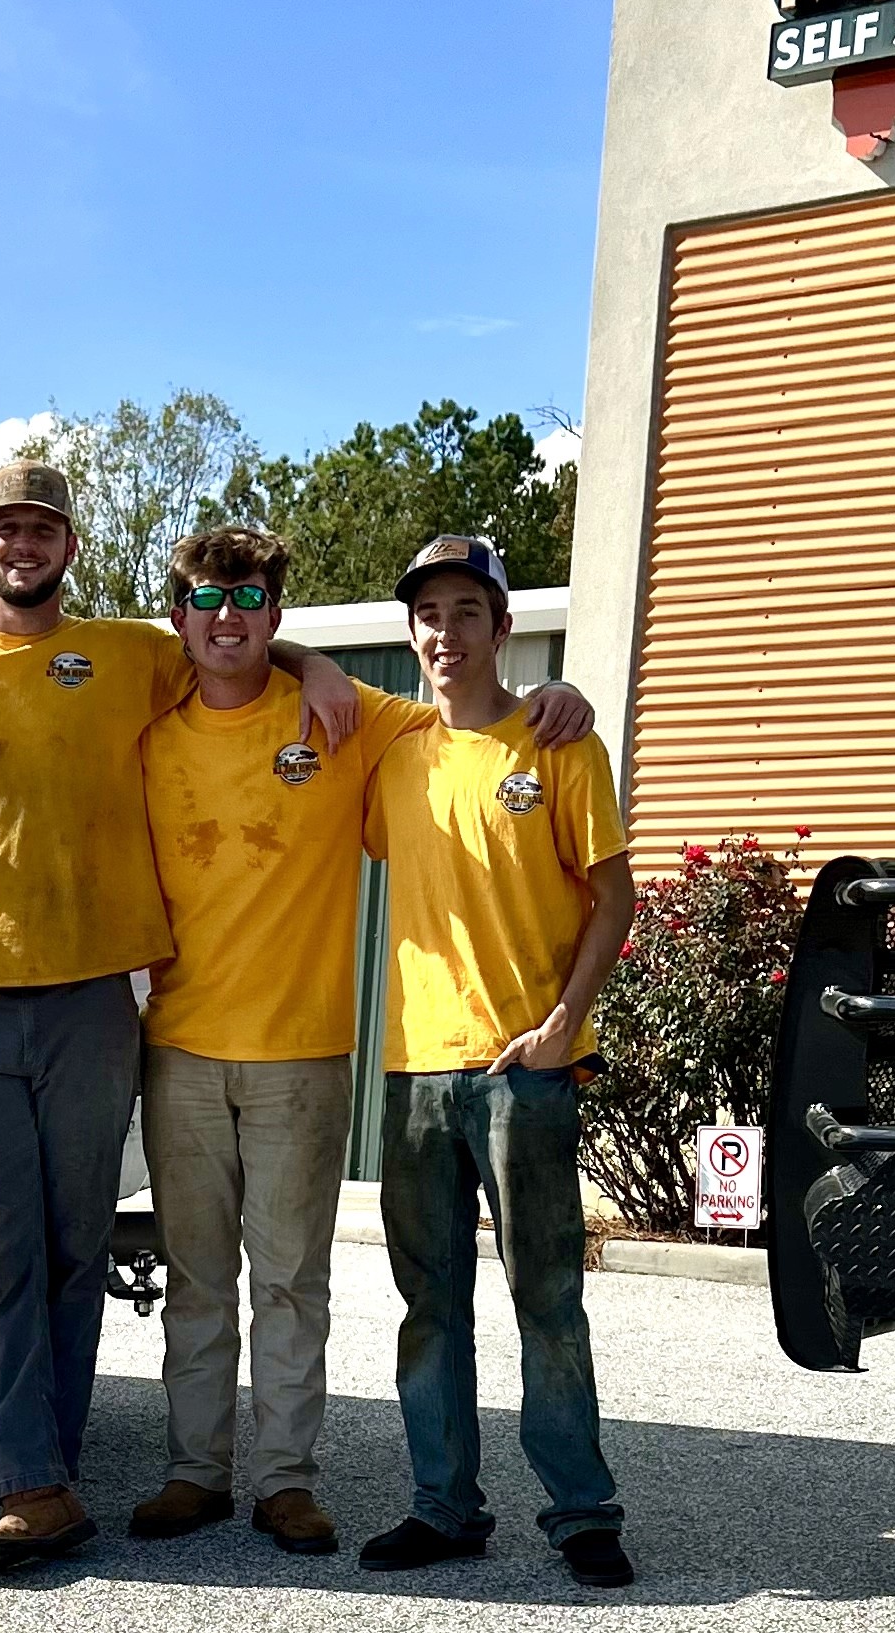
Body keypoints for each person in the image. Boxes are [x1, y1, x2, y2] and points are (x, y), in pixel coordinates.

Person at [0, 461, 358, 1574]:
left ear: (67, 543)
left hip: (97, 1003)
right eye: (7, 524)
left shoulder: (122, 653)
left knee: (73, 1247)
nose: (24, 542)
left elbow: (227, 632)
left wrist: (317, 659)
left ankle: (52, 1470)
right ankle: (31, 1485)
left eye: (42, 526)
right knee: (2, 1253)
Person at [129, 525, 594, 1558]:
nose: (227, 615)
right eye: (207, 598)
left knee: (292, 1281)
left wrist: (568, 697)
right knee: (196, 1277)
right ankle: (194, 1472)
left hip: (303, 1050)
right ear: (180, 615)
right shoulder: (149, 723)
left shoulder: (351, 721)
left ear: (276, 612)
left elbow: (492, 719)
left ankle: (287, 1483)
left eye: (248, 597)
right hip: (179, 1047)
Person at [358, 534, 637, 1589]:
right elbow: (291, 667)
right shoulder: (392, 754)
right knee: (430, 1300)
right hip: (415, 1068)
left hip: (528, 1063)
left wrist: (567, 1020)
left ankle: (581, 1512)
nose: (445, 632)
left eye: (467, 611)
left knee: (547, 1297)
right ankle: (443, 1506)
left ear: (502, 626)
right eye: (428, 614)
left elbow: (612, 896)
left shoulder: (559, 745)